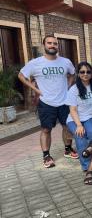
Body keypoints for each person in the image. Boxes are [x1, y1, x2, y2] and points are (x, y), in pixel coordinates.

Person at [18, 35, 78, 168]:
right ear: (44, 45)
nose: (52, 46)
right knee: (46, 129)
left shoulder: (65, 62)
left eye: (55, 43)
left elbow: (72, 73)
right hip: (46, 102)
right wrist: (36, 90)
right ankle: (46, 155)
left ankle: (68, 149)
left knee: (67, 126)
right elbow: (21, 76)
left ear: (58, 46)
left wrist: (68, 86)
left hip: (64, 101)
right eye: (49, 43)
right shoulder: (35, 63)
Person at [65, 62, 92, 172]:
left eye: (88, 72)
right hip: (75, 119)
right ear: (78, 74)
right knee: (80, 136)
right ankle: (87, 166)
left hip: (90, 116)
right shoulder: (74, 89)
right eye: (82, 72)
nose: (85, 74)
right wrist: (78, 125)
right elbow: (72, 110)